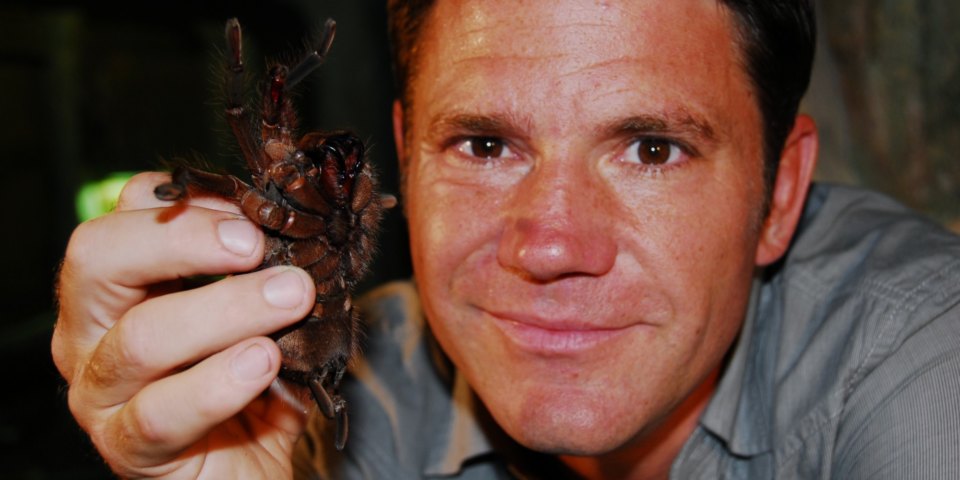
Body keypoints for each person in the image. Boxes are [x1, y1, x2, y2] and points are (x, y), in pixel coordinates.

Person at [52, 0, 960, 478]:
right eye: (485, 145)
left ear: (779, 194)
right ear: (405, 159)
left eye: (652, 148)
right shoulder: (325, 417)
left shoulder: (922, 356)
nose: (550, 244)